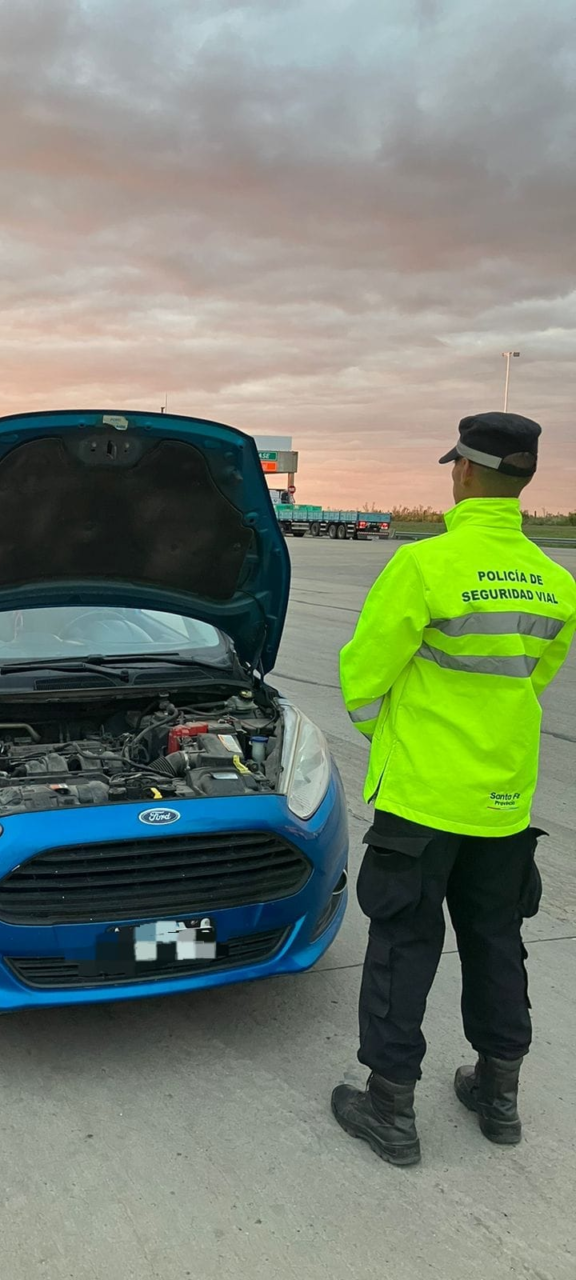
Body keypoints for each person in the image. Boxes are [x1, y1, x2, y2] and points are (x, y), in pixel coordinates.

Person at [331, 412, 576, 1167]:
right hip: (503, 802)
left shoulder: (424, 567)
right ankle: (498, 1096)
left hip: (423, 801)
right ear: (525, 479)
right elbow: (532, 678)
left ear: (464, 471)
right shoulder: (556, 581)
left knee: (405, 944)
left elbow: (362, 681)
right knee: (497, 941)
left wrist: (397, 738)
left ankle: (391, 1110)